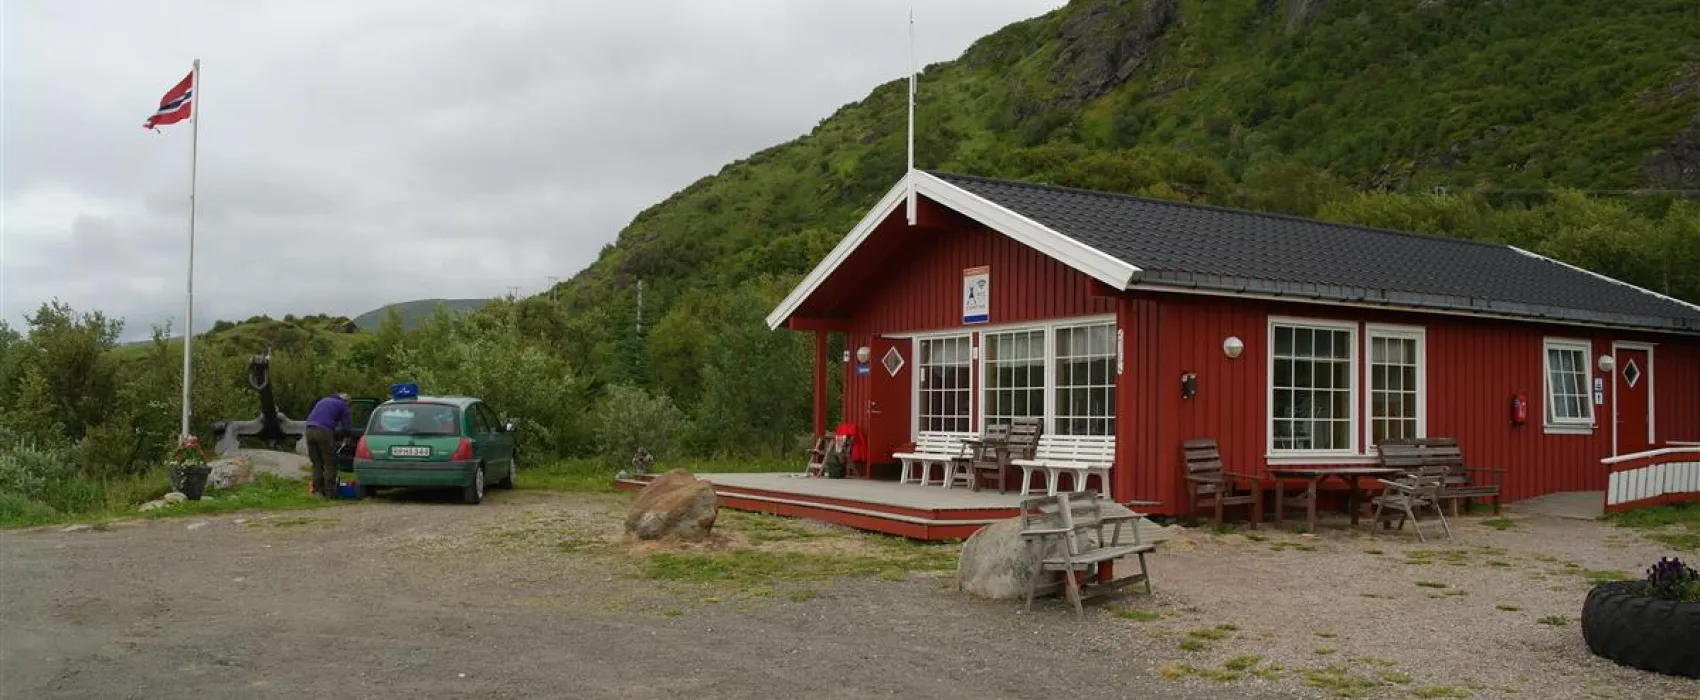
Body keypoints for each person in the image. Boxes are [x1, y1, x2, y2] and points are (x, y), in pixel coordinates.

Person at [304, 392, 352, 498]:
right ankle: (330, 493)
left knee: (317, 463)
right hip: (324, 432)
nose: (349, 407)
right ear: (347, 402)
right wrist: (347, 436)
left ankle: (317, 492)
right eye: (349, 405)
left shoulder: (323, 400)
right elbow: (347, 424)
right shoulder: (342, 405)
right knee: (330, 462)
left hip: (309, 430)